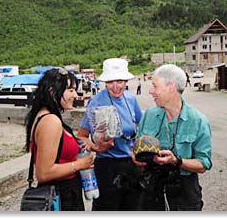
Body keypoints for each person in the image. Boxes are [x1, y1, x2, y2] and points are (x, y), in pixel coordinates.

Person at [133, 64, 212, 211]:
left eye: (155, 86)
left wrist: (176, 161)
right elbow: (135, 148)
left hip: (184, 191)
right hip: (151, 188)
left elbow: (203, 164)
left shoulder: (198, 121)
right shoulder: (149, 115)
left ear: (171, 87)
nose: (151, 91)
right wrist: (139, 158)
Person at [25, 68, 94, 211]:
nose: (75, 95)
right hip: (61, 196)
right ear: (52, 91)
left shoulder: (46, 115)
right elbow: (44, 173)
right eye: (70, 90)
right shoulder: (50, 121)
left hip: (65, 192)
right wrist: (79, 164)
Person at [78, 58, 143, 211]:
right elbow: (81, 136)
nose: (115, 87)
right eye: (110, 82)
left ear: (126, 81)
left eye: (119, 81)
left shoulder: (131, 99)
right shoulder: (96, 102)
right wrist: (96, 148)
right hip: (107, 166)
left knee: (132, 207)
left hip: (131, 164)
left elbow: (142, 127)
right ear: (105, 82)